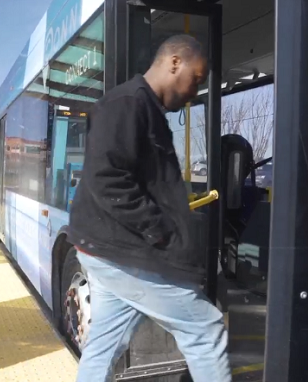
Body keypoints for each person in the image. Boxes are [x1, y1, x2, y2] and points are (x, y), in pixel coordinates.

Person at [67, 34, 231, 382]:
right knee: (206, 329)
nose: (194, 91)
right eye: (196, 79)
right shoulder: (126, 104)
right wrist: (162, 231)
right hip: (124, 253)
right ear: (174, 62)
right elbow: (107, 178)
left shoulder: (144, 108)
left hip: (109, 251)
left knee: (104, 346)